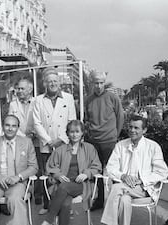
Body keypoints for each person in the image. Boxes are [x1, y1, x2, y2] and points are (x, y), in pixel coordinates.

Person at [101, 115, 168, 225]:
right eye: (130, 127)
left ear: (144, 130)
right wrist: (123, 176)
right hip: (124, 186)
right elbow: (110, 168)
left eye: (136, 128)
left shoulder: (153, 147)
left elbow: (163, 172)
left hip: (143, 188)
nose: (132, 130)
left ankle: (107, 223)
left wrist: (141, 180)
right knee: (124, 200)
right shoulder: (120, 145)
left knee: (116, 187)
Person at [33, 67, 77, 214]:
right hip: (46, 144)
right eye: (49, 81)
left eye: (55, 81)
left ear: (59, 83)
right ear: (45, 83)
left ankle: (65, 205)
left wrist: (62, 139)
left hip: (64, 143)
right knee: (47, 174)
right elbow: (36, 123)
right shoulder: (38, 100)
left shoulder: (68, 98)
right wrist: (48, 140)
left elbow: (72, 121)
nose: (52, 84)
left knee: (65, 174)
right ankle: (47, 205)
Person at [41, 120, 102, 225]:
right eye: (71, 132)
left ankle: (49, 220)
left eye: (77, 131)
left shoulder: (89, 148)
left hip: (81, 184)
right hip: (63, 184)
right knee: (65, 204)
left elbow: (97, 166)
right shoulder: (60, 150)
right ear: (67, 134)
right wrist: (58, 175)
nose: (74, 135)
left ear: (82, 133)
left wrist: (86, 174)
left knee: (64, 187)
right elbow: (51, 166)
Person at [85, 71, 124, 210]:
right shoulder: (88, 99)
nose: (99, 85)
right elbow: (86, 119)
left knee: (113, 172)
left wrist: (115, 135)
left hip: (109, 141)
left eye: (101, 83)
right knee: (97, 173)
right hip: (94, 141)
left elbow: (120, 117)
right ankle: (100, 200)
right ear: (92, 83)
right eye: (96, 83)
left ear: (104, 83)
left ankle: (116, 201)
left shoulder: (113, 97)